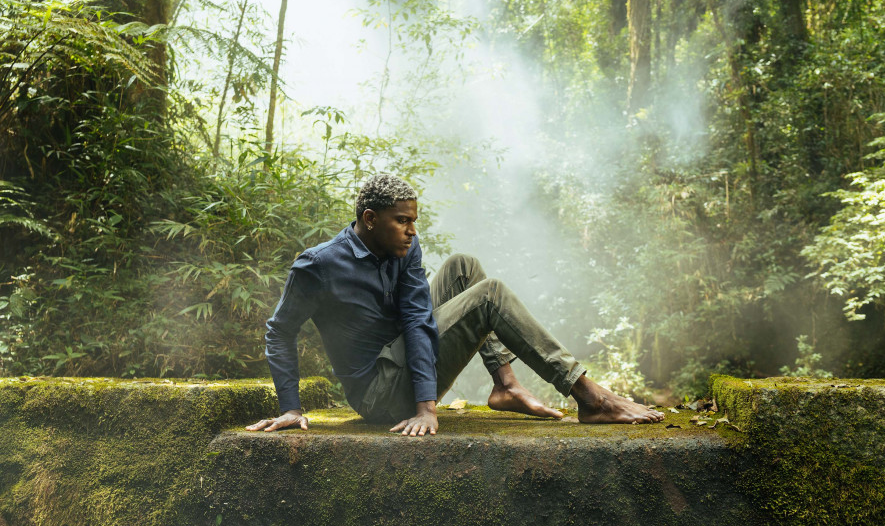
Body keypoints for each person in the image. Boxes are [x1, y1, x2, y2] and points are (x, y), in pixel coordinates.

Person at [246, 174, 664, 436]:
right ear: (370, 219)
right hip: (380, 393)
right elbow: (279, 331)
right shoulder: (317, 266)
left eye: (414, 221)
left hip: (405, 359)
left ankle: (506, 386)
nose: (412, 231)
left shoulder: (404, 249)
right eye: (402, 221)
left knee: (463, 268)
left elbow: (414, 315)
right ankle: (590, 398)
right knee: (490, 294)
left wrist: (426, 404)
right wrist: (291, 407)